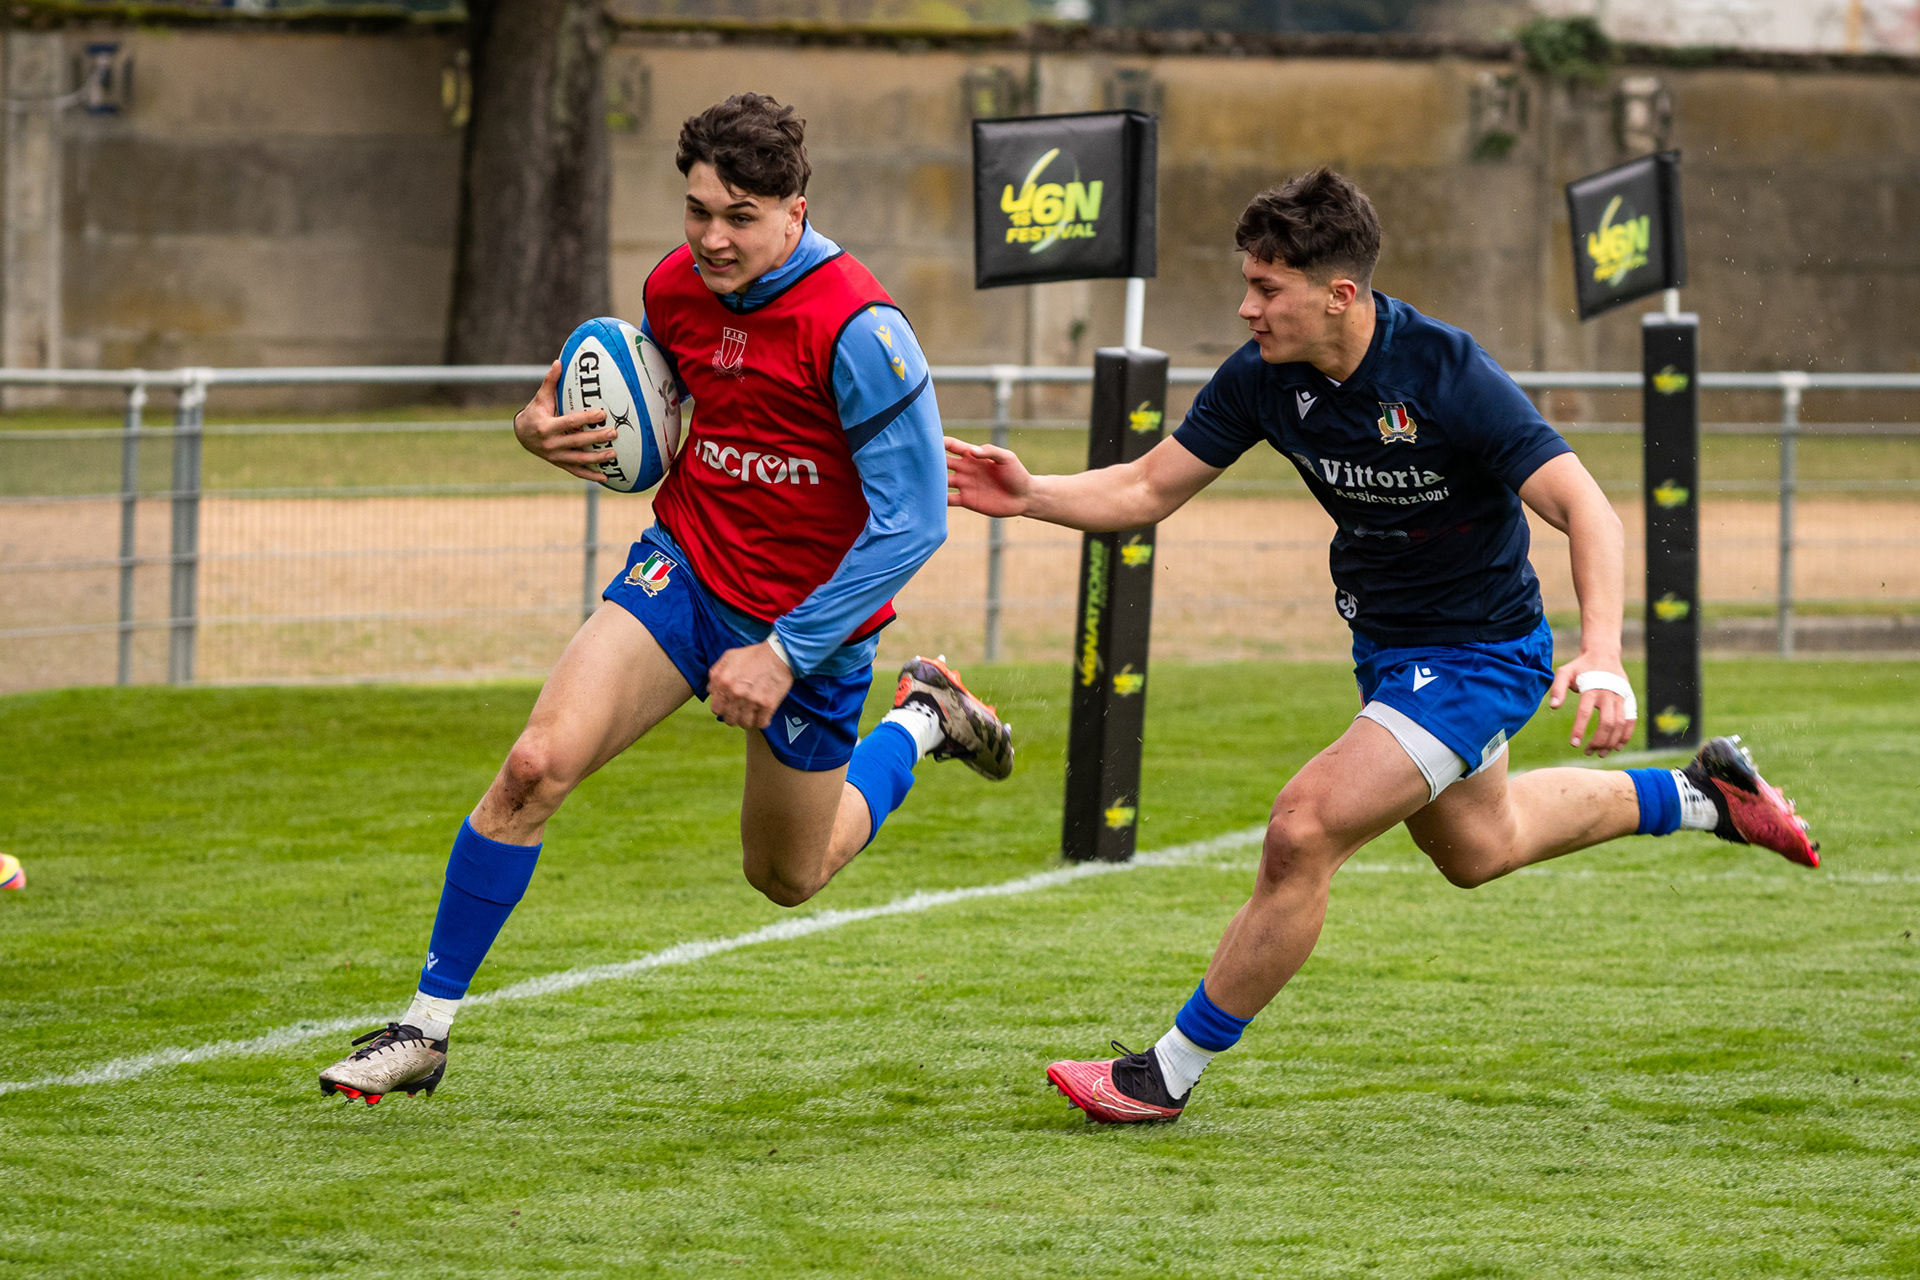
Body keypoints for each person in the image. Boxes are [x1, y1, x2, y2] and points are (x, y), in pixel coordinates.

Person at [945, 168, 1817, 1124]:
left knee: (1302, 829)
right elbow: (1148, 487)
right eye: (1247, 284)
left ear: (1339, 294)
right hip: (1390, 653)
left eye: (1266, 288)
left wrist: (1603, 651)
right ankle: (1705, 796)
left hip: (1483, 655)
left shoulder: (1446, 372)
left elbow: (1586, 507)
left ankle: (1164, 1074)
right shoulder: (1263, 377)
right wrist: (1032, 495)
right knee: (1481, 847)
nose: (1245, 308)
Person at [318, 93, 1013, 1105]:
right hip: (683, 570)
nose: (713, 238)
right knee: (534, 765)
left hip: (810, 632)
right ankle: (424, 1027)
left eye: (741, 217)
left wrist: (784, 651)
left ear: (797, 210)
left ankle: (922, 719)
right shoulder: (673, 291)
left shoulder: (861, 330)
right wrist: (540, 433)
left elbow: (913, 523)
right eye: (698, 210)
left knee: (788, 875)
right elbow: (653, 416)